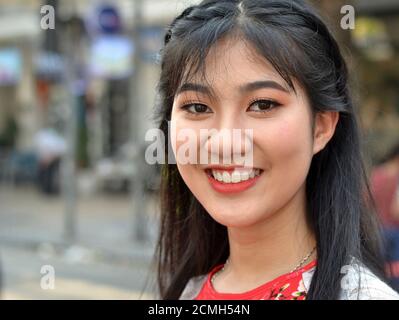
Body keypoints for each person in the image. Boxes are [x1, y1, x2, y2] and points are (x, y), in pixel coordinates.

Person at [153, 0, 399, 300]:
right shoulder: (187, 293)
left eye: (263, 104)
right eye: (197, 107)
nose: (226, 142)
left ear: (320, 127)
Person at [370, 142, 399, 291]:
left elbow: (366, 201)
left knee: (379, 271)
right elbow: (396, 209)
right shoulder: (396, 177)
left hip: (377, 229)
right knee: (395, 276)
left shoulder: (377, 173)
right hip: (395, 233)